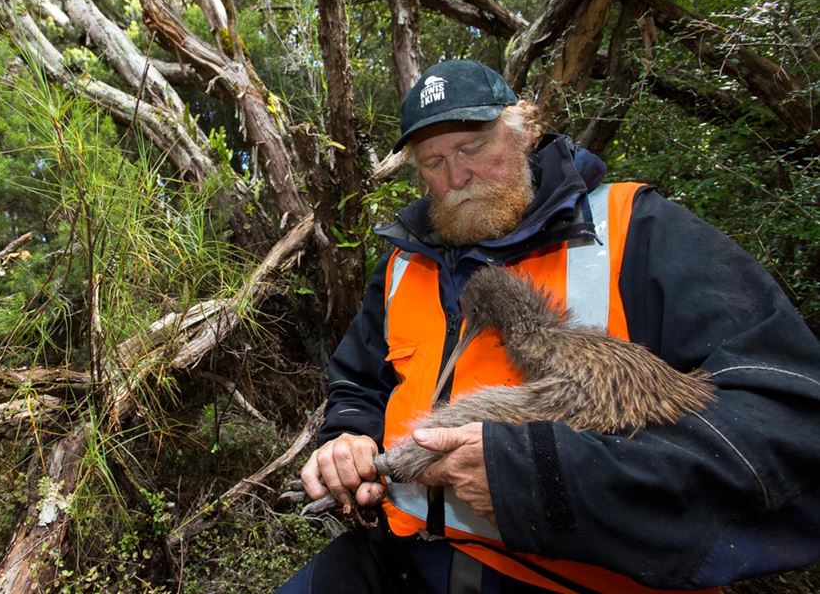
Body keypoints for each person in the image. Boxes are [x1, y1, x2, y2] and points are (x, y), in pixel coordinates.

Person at [277, 59, 820, 593]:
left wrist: (536, 475)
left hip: (576, 577)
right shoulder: (404, 261)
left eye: (472, 148)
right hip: (405, 556)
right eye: (433, 161)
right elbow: (359, 382)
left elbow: (787, 423)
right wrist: (347, 438)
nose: (457, 177)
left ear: (526, 130)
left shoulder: (639, 231)